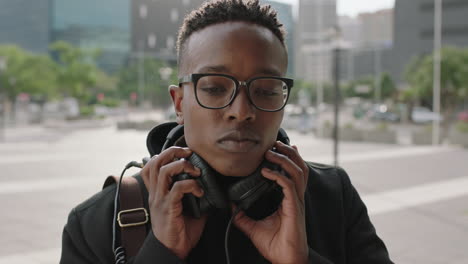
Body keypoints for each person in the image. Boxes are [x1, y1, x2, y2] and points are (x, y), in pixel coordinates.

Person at [60, 0, 394, 263]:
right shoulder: (97, 222)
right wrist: (160, 254)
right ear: (179, 102)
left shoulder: (332, 197)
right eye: (216, 88)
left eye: (265, 90)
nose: (242, 111)